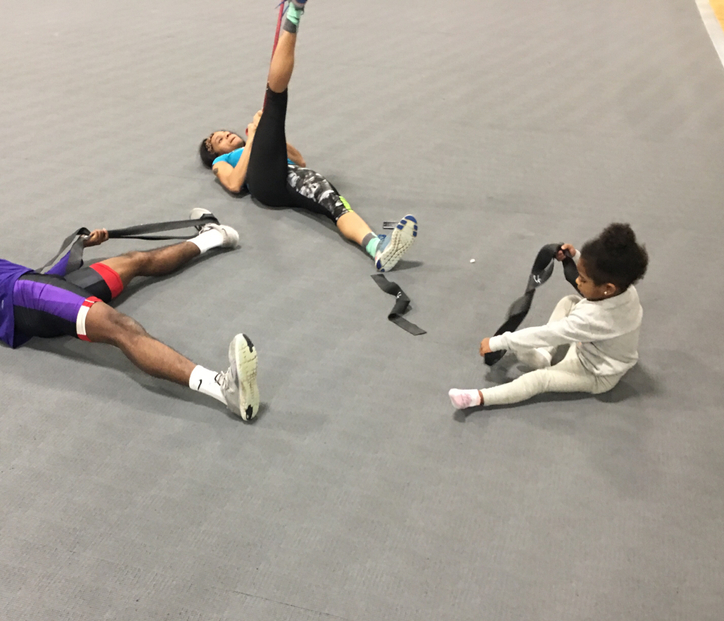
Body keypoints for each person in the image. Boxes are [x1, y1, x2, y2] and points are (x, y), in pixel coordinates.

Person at [0, 194, 260, 421]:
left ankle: (214, 236)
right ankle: (221, 387)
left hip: (38, 287)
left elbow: (45, 277)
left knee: (134, 261)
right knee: (121, 327)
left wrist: (78, 247)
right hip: (22, 297)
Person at [198, 0, 418, 273]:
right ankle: (294, 12)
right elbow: (233, 184)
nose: (227, 137)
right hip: (264, 183)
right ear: (216, 153)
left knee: (338, 208)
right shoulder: (223, 162)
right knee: (275, 98)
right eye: (220, 141)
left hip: (291, 178)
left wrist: (271, 134)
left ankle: (376, 247)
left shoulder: (261, 144)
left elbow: (300, 160)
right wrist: (255, 138)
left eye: (226, 133)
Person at [448, 223, 648, 409]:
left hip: (596, 373)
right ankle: (544, 356)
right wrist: (575, 256)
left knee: (539, 380)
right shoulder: (625, 289)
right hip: (593, 346)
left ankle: (477, 398)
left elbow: (549, 333)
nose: (578, 281)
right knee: (569, 302)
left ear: (608, 288)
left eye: (583, 279)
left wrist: (499, 342)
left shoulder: (593, 319)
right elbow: (597, 283)